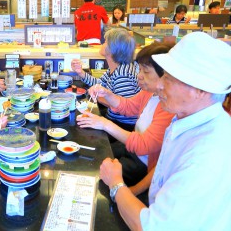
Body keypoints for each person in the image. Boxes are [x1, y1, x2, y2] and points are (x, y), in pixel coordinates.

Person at [99, 32, 231, 230]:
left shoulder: (206, 153)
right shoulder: (185, 120)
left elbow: (149, 226)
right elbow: (160, 170)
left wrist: (116, 183)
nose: (159, 85)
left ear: (201, 90)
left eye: (169, 79)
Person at [78, 42, 175, 186]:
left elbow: (143, 145)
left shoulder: (169, 107)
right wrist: (107, 94)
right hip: (131, 149)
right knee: (92, 154)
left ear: (165, 75)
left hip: (143, 163)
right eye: (139, 69)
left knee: (95, 171)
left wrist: (105, 124)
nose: (139, 76)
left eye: (146, 72)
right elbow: (128, 106)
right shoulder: (149, 92)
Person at [71, 28, 141, 131]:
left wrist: (99, 97)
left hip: (121, 125)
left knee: (79, 127)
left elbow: (123, 108)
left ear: (113, 50)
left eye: (106, 42)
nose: (102, 44)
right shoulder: (116, 67)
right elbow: (99, 84)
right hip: (112, 118)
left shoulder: (123, 75)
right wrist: (80, 72)